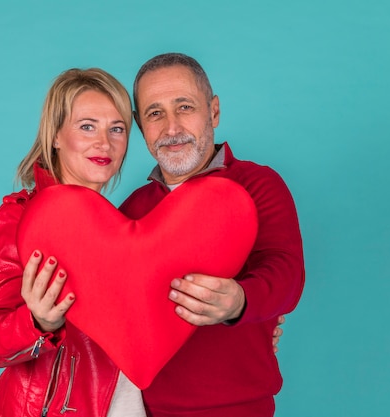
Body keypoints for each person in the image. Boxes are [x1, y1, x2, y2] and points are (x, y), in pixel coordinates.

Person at [0, 66, 286, 417]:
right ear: (55, 135)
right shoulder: (19, 219)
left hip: (130, 407)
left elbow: (154, 308)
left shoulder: (124, 218)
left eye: (116, 129)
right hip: (59, 408)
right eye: (87, 126)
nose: (104, 142)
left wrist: (252, 319)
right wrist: (38, 323)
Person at [119, 53, 305, 417]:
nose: (171, 128)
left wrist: (240, 302)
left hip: (240, 407)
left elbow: (286, 272)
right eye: (155, 113)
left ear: (214, 112)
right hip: (145, 410)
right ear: (141, 126)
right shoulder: (130, 212)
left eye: (184, 107)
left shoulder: (258, 185)